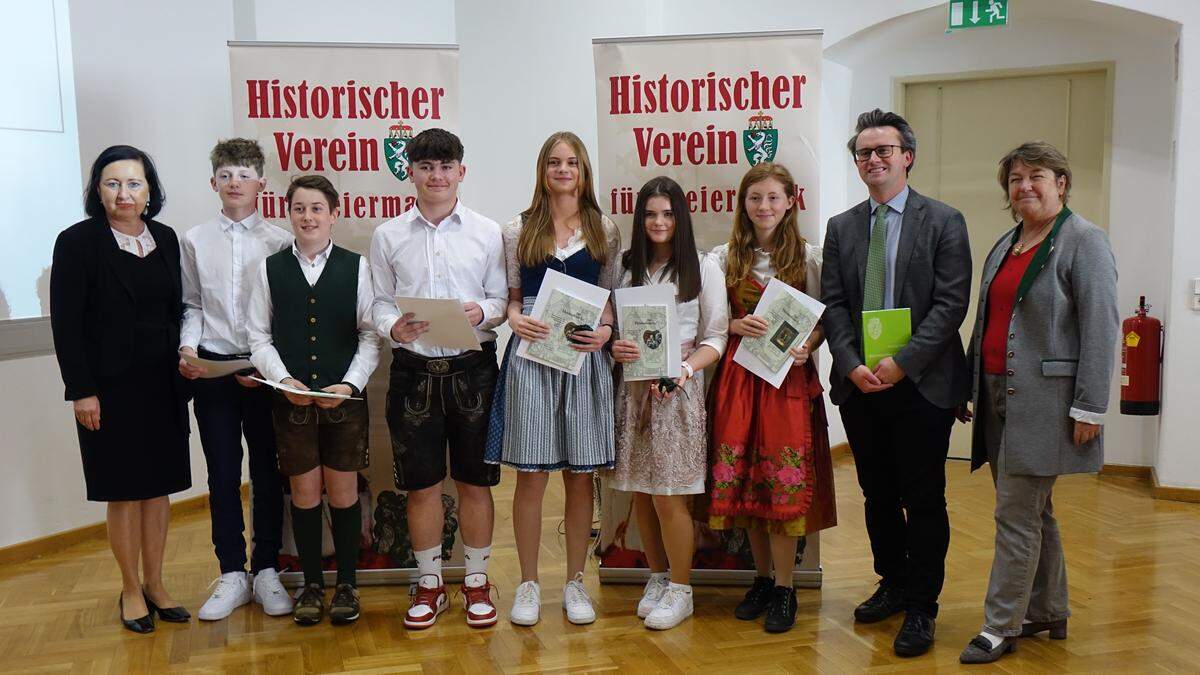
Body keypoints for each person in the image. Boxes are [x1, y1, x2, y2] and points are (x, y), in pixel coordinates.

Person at [957, 142, 1118, 664]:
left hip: (1048, 402)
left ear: (1061, 182)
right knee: (1034, 511)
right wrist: (968, 383)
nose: (1025, 186)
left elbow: (1101, 327)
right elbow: (985, 322)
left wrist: (1090, 406)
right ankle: (1049, 607)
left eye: (1037, 175)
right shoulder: (1007, 243)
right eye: (1016, 178)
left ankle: (1001, 625)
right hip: (998, 394)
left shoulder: (1084, 241)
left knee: (1015, 515)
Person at [822, 109, 972, 656]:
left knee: (923, 497)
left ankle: (923, 606)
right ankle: (893, 581)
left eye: (884, 150)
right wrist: (850, 362)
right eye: (864, 152)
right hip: (861, 384)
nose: (874, 159)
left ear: (907, 156)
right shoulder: (842, 227)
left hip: (923, 385)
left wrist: (902, 362)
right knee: (876, 494)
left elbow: (952, 304)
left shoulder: (944, 221)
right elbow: (834, 303)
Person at [368, 129, 508, 629]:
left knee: (475, 482)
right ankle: (429, 584)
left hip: (474, 371)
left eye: (446, 166)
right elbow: (379, 301)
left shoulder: (488, 232)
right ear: (412, 172)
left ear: (461, 172)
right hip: (414, 373)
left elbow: (500, 300)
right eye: (426, 166)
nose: (437, 176)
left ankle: (475, 583)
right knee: (422, 486)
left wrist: (484, 311)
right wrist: (391, 326)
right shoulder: (388, 234)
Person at [50, 145, 192, 633]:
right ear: (97, 190)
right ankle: (130, 589)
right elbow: (66, 326)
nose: (124, 193)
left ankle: (156, 582)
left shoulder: (167, 239)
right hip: (108, 391)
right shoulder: (77, 242)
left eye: (134, 183)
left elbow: (178, 310)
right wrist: (81, 391)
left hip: (164, 385)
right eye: (113, 183)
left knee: (158, 491)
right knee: (125, 492)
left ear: (150, 190)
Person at [484, 131, 621, 627]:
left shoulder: (604, 227)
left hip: (584, 364)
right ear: (542, 170)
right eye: (554, 162)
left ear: (583, 171)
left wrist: (606, 331)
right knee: (532, 475)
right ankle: (527, 583)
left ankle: (574, 582)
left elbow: (610, 297)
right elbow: (514, 297)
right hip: (533, 359)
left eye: (572, 162)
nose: (563, 170)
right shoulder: (517, 228)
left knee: (580, 477)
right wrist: (516, 318)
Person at [706, 162, 837, 634]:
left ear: (789, 203)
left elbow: (823, 320)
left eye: (773, 198)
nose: (764, 206)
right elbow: (714, 326)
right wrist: (737, 326)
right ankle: (760, 579)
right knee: (746, 482)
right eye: (755, 198)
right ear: (743, 204)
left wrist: (810, 344)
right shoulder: (723, 259)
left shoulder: (810, 258)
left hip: (787, 386)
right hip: (740, 382)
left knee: (782, 483)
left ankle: (785, 587)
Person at [246, 174, 380, 626]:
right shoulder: (270, 268)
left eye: (316, 208)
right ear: (289, 214)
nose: (307, 217)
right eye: (299, 208)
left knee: (343, 491)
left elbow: (370, 335)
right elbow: (258, 337)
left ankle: (346, 584)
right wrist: (283, 379)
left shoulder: (357, 266)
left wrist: (350, 385)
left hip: (344, 400)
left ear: (334, 215)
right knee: (303, 492)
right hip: (292, 403)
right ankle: (310, 584)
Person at [178, 138, 294, 621]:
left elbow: (285, 315)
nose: (234, 184)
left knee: (267, 473)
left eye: (244, 175)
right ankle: (231, 571)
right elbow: (193, 305)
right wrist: (187, 347)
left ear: (261, 184)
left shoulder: (281, 240)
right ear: (213, 183)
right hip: (213, 369)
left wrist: (266, 365)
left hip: (262, 371)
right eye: (225, 175)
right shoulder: (194, 239)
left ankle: (265, 568)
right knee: (222, 475)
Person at [609, 176, 729, 631]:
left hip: (676, 391)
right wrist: (615, 347)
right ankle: (657, 577)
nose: (659, 222)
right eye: (650, 214)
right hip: (634, 393)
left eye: (667, 213)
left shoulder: (703, 267)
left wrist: (684, 370)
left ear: (680, 218)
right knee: (642, 489)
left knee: (670, 497)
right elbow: (614, 330)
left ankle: (682, 588)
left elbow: (716, 335)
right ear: (640, 219)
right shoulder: (626, 267)